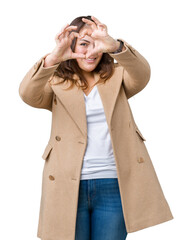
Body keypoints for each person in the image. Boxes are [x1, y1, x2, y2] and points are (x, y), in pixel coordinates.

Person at [19, 15, 173, 240]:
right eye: (83, 44)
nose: (91, 52)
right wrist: (53, 57)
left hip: (114, 182)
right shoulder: (55, 83)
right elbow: (27, 95)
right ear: (71, 46)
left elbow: (142, 74)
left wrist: (115, 46)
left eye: (97, 45)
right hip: (68, 183)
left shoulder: (118, 76)